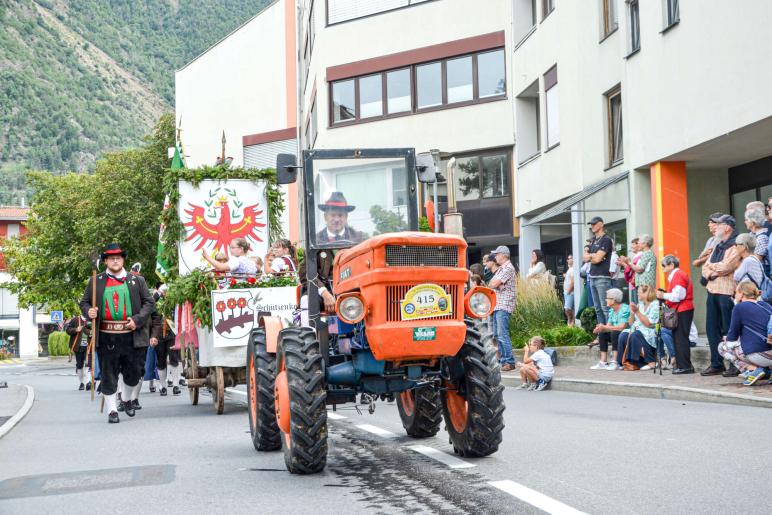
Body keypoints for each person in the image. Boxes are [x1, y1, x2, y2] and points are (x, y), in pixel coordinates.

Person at [80, 243, 155, 423]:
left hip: (132, 335)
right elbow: (84, 303)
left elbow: (149, 303)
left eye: (118, 258)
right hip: (106, 336)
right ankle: (112, 410)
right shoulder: (96, 281)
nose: (115, 261)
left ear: (123, 260)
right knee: (109, 373)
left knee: (134, 373)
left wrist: (137, 320)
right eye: (112, 258)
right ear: (105, 261)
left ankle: (127, 399)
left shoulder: (137, 281)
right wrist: (88, 311)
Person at [701, 214, 741, 376]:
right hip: (712, 291)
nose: (715, 226)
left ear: (728, 227)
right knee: (712, 329)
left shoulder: (735, 245)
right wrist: (711, 271)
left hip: (726, 293)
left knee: (728, 329)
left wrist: (712, 268)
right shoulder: (718, 245)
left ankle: (734, 364)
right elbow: (705, 268)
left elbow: (727, 266)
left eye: (719, 224)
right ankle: (716, 363)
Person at [718, 281, 772, 386]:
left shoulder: (739, 308)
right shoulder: (766, 305)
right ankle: (769, 371)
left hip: (760, 355)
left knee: (722, 347)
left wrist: (727, 338)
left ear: (742, 293)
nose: (734, 295)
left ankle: (754, 369)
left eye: (736, 292)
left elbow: (732, 336)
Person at [657, 255, 695, 374]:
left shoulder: (678, 275)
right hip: (681, 309)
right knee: (678, 338)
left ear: (671, 265)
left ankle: (685, 366)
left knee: (681, 339)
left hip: (683, 309)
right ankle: (681, 364)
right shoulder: (676, 275)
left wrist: (663, 296)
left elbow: (679, 296)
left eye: (664, 265)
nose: (662, 268)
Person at [617, 284, 660, 370]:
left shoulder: (655, 304)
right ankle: (623, 363)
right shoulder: (640, 304)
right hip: (639, 329)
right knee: (623, 335)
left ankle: (646, 361)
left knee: (636, 334)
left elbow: (649, 324)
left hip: (651, 330)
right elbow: (631, 323)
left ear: (646, 293)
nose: (637, 294)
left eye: (639, 292)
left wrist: (637, 312)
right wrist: (632, 314)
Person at [489, 245, 517, 371]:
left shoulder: (508, 268)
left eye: (497, 254)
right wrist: (497, 285)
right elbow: (491, 284)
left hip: (504, 304)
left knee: (502, 334)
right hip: (498, 304)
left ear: (504, 255)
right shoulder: (502, 268)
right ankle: (503, 361)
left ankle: (509, 361)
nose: (495, 256)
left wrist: (497, 285)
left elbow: (493, 283)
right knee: (497, 334)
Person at [151, 284, 182, 396]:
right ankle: (163, 386)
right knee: (161, 360)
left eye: (167, 291)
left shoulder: (174, 301)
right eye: (164, 291)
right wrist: (158, 294)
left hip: (172, 332)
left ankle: (175, 385)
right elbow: (150, 306)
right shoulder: (156, 300)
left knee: (174, 358)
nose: (166, 293)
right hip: (158, 333)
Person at [583, 217, 613, 330]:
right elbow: (585, 258)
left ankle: (611, 333)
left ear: (601, 224)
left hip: (602, 277)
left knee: (606, 307)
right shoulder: (594, 240)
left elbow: (598, 259)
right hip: (592, 277)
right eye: (591, 224)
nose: (592, 226)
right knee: (598, 308)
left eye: (594, 224)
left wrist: (591, 256)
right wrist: (593, 256)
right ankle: (603, 335)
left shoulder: (606, 240)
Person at [591, 288, 630, 370]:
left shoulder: (625, 309)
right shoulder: (612, 310)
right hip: (616, 333)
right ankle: (603, 362)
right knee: (603, 334)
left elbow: (622, 327)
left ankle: (615, 362)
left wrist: (605, 327)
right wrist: (600, 329)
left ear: (614, 300)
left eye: (607, 298)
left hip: (626, 334)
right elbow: (608, 327)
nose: (606, 300)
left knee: (614, 333)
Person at [64, 315, 92, 390]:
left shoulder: (91, 319)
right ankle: (81, 383)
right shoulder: (75, 319)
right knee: (79, 365)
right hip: (78, 346)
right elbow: (67, 330)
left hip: (89, 346)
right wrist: (76, 329)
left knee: (88, 363)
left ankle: (88, 382)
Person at [563, 254, 575, 326]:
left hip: (570, 293)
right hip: (567, 292)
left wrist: (568, 291)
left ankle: (571, 321)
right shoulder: (570, 269)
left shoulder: (573, 269)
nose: (569, 260)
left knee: (567, 308)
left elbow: (573, 282)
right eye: (568, 258)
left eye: (571, 258)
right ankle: (570, 323)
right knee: (569, 308)